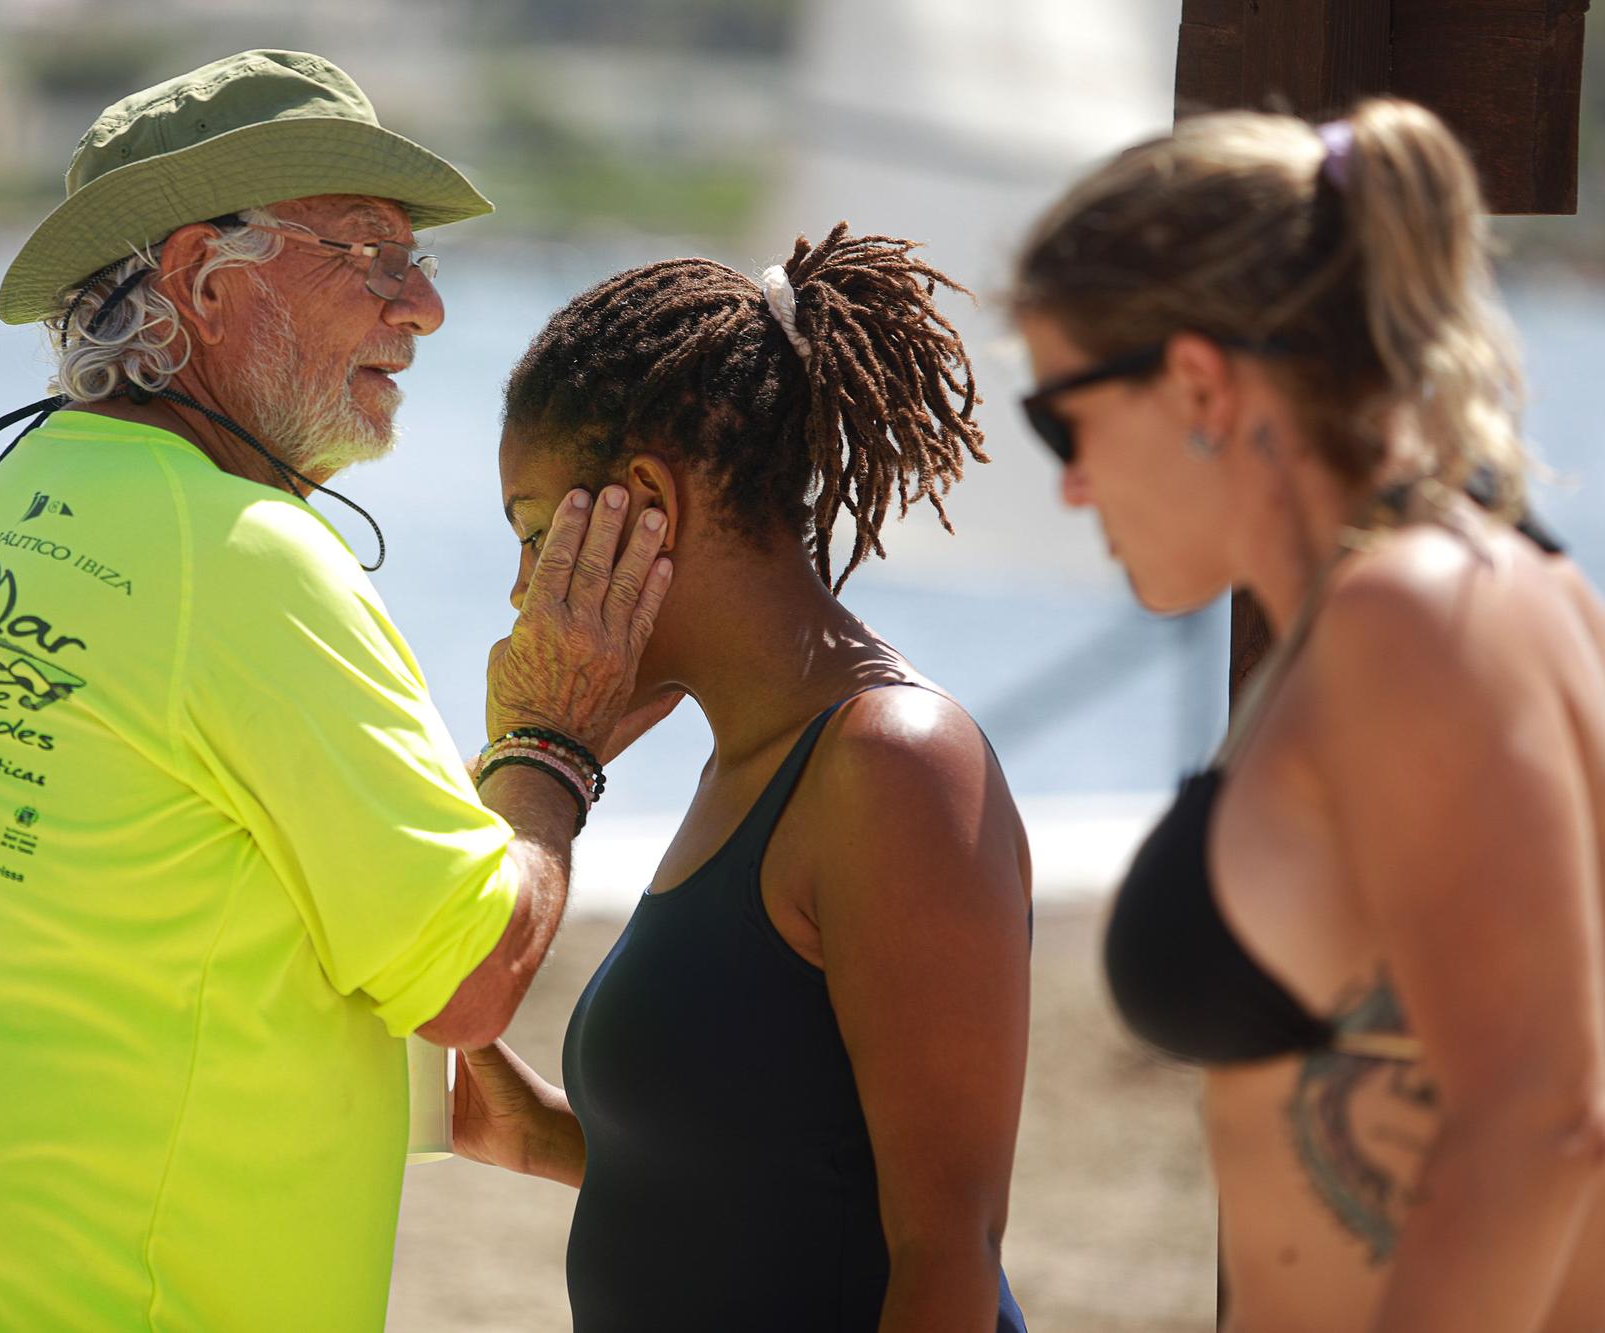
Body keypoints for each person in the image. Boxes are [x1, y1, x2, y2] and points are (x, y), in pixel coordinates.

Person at [0, 50, 670, 1331]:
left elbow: (117, 923)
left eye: (420, 260)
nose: (422, 307)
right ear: (198, 278)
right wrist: (553, 740)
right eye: (367, 253)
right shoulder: (245, 558)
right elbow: (471, 982)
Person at [1012, 98, 1605, 1331]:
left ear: (1193, 381)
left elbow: (1538, 1116)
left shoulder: (1417, 616)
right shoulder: (1451, 598)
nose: (1065, 482)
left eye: (1059, 416)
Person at [451, 226, 1034, 1332]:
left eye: (535, 533)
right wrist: (535, 1126)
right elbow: (776, 1171)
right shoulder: (738, 761)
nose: (523, 588)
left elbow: (942, 1258)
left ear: (640, 499)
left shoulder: (890, 761)